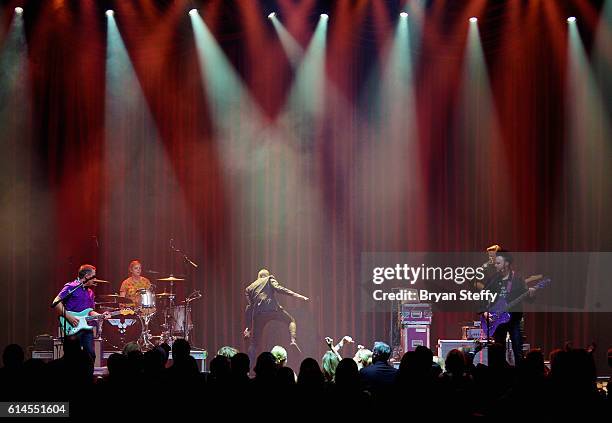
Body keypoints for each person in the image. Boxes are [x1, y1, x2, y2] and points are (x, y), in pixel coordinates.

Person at [243, 269, 309, 362]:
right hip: (273, 310)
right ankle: (293, 341)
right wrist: (299, 296)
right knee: (290, 321)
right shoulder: (269, 279)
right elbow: (280, 289)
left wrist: (248, 328)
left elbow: (249, 307)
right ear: (267, 275)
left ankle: (248, 367)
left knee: (254, 343)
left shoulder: (249, 288)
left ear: (258, 277)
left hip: (259, 315)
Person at [482, 251, 535, 365]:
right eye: (495, 263)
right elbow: (483, 297)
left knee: (518, 350)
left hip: (514, 320)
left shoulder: (517, 279)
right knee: (498, 352)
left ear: (506, 264)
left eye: (498, 263)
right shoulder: (494, 279)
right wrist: (486, 312)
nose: (495, 265)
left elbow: (528, 299)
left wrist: (531, 294)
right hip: (498, 321)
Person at [52, 264, 110, 361]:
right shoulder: (71, 287)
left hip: (86, 327)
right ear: (87, 276)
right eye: (93, 276)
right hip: (72, 326)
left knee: (90, 355)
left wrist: (101, 316)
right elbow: (56, 302)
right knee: (72, 356)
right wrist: (68, 317)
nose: (95, 279)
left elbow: (90, 311)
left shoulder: (90, 292)